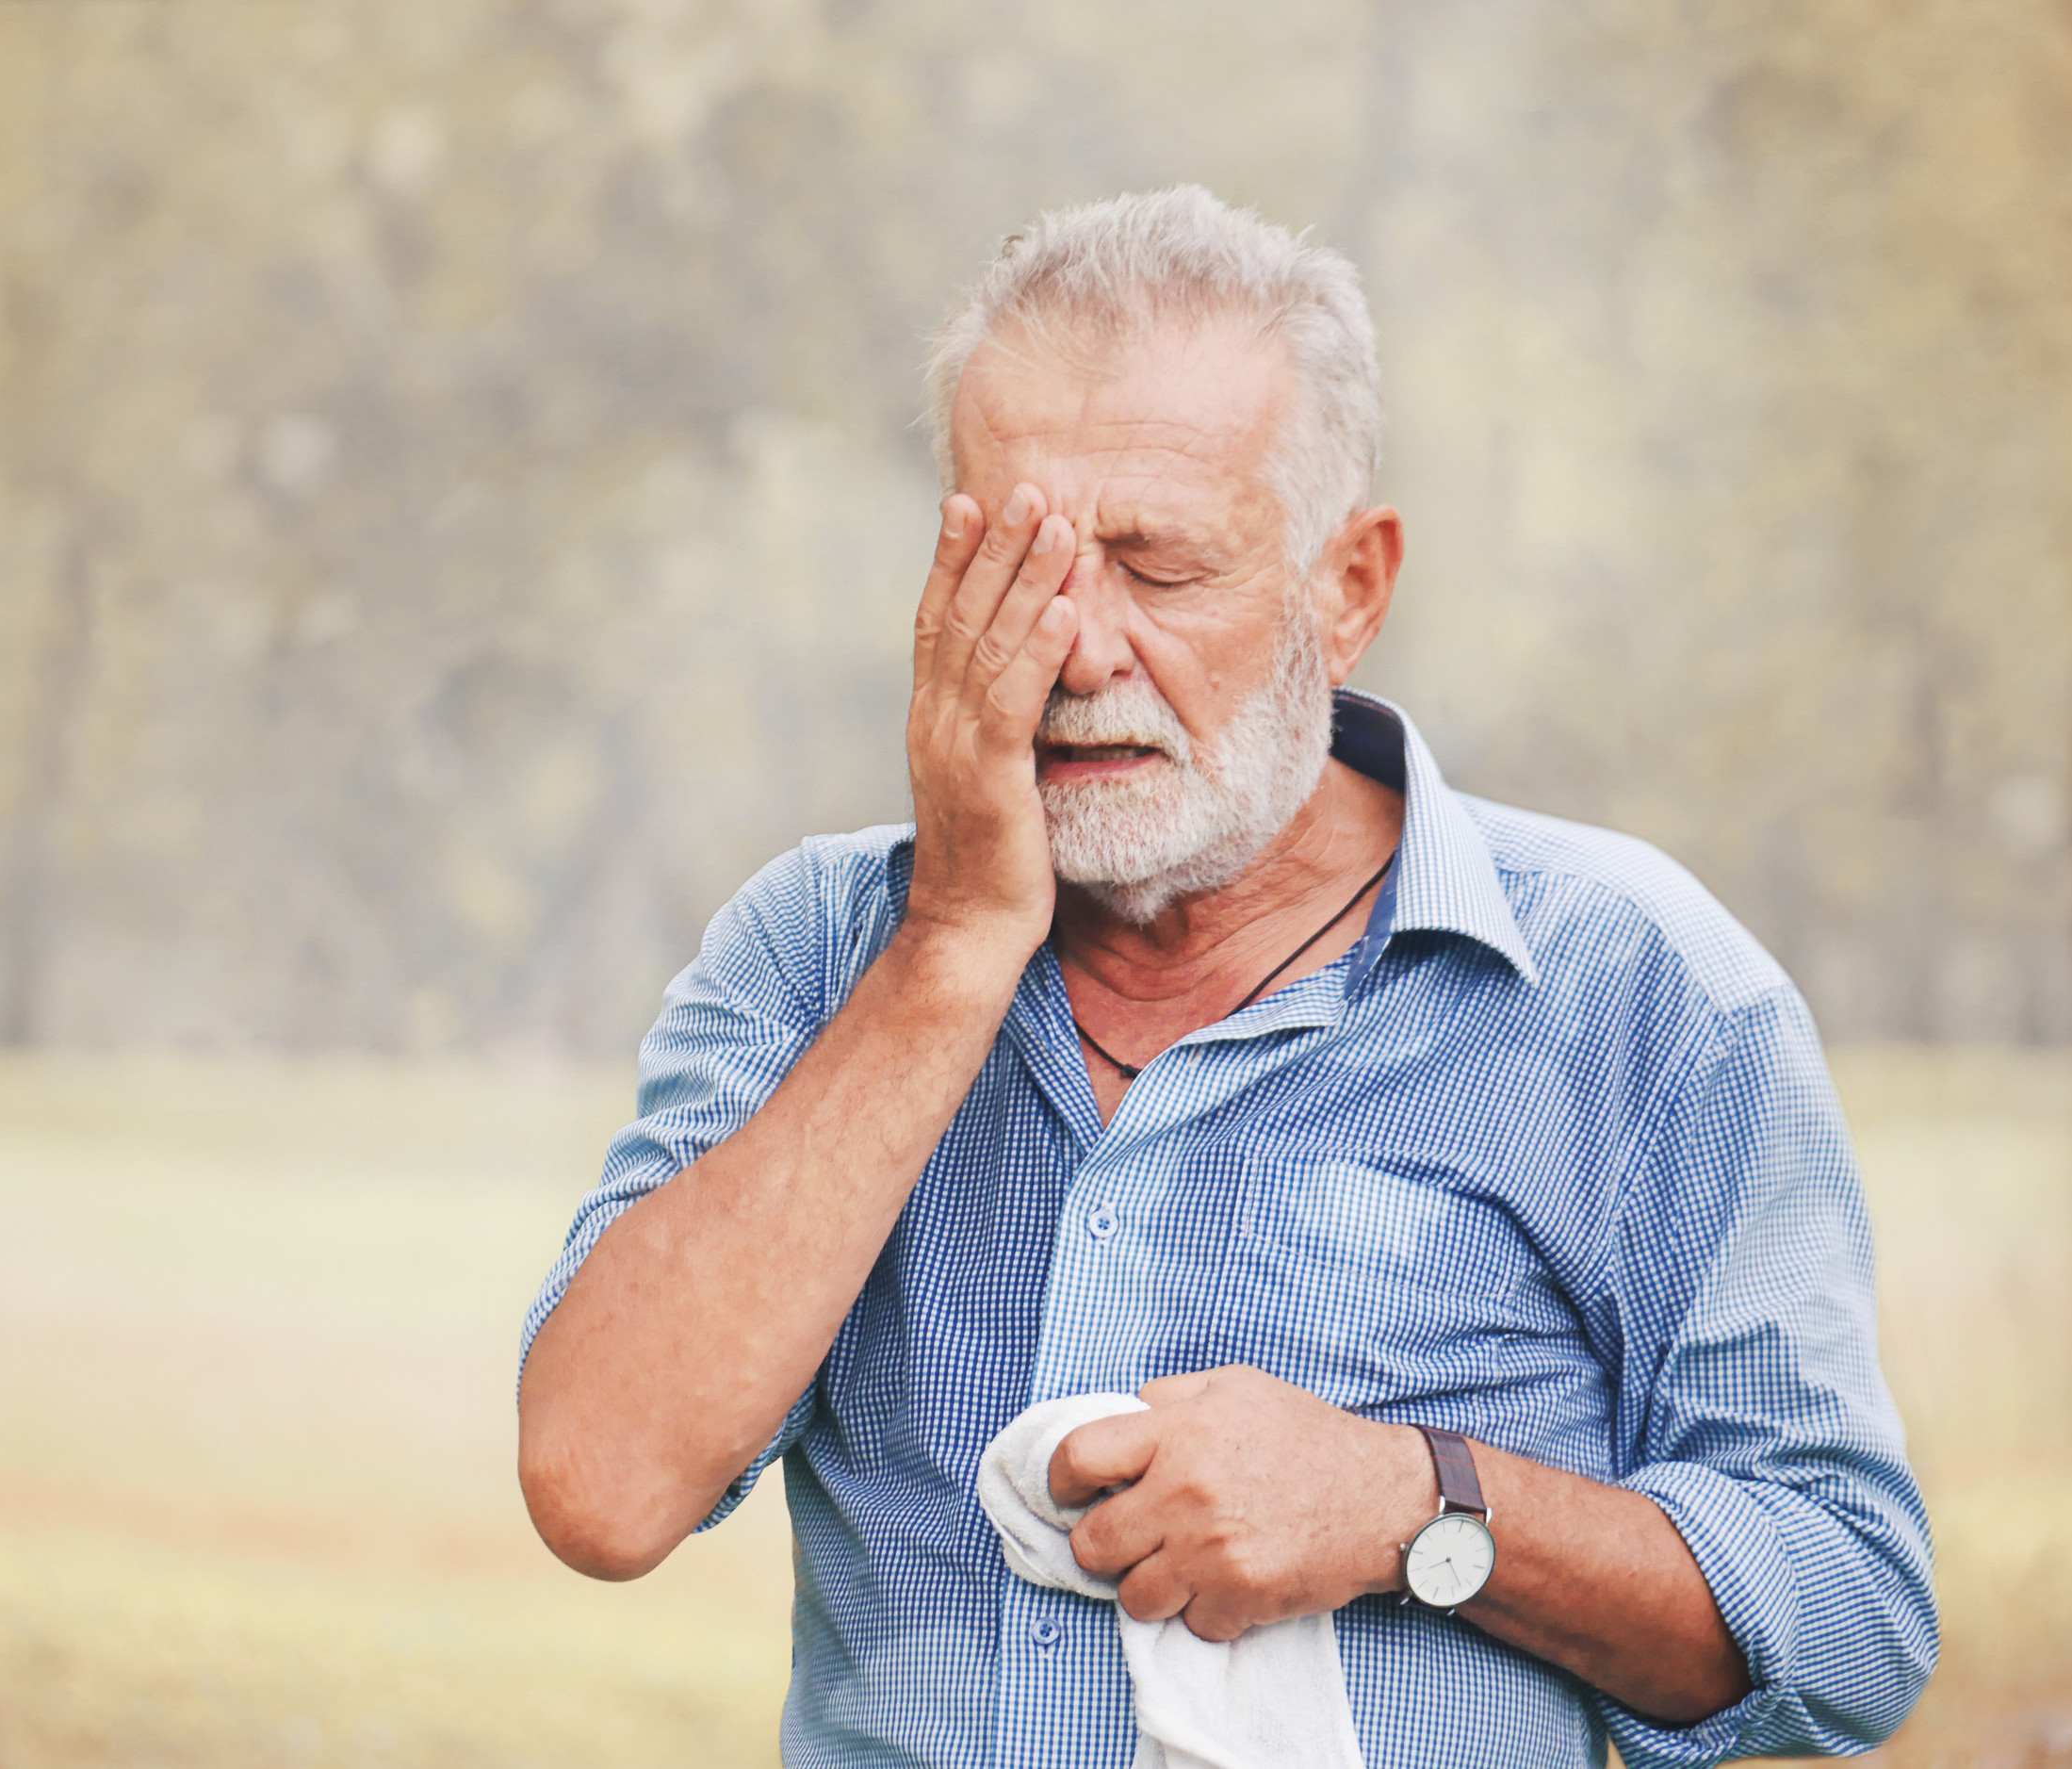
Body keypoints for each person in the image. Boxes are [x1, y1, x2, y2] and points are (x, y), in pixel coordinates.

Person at [516, 186, 1936, 1769]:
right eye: (1022, 565)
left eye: (1161, 566)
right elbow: (603, 1480)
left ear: (1349, 588)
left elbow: (1850, 1619)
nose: (1080, 649)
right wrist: (957, 942)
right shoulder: (815, 952)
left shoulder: (1641, 989)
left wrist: (1416, 1503)